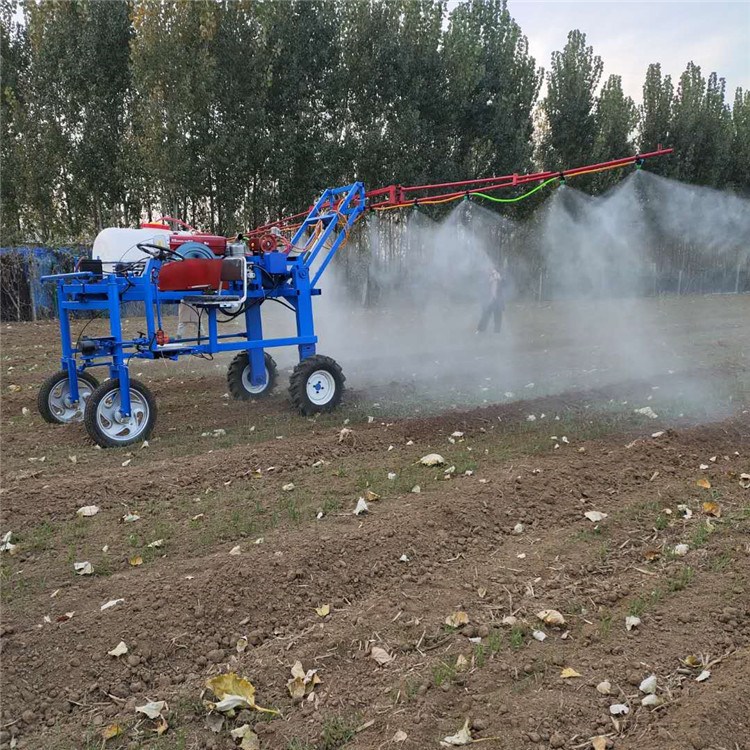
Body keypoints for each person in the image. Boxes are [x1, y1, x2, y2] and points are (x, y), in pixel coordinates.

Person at [476, 268, 505, 334]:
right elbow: (482, 286)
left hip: (498, 301)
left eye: (495, 272)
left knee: (498, 317)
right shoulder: (486, 277)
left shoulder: (500, 278)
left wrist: (500, 279)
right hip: (488, 300)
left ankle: (497, 332)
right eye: (493, 273)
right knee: (485, 315)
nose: (494, 274)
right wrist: (489, 281)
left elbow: (505, 284)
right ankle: (480, 330)